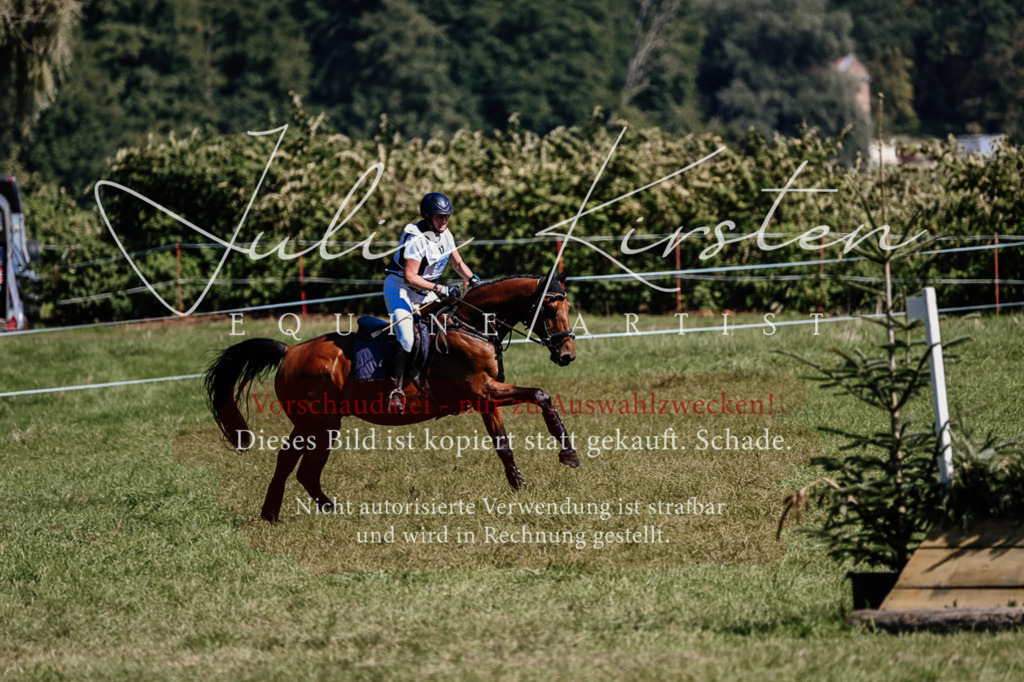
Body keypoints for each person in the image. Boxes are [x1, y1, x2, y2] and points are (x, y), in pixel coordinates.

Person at [382, 192, 478, 413]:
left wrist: (472, 279)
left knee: (451, 329)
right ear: (427, 216)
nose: (444, 220)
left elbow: (457, 263)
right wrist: (440, 289)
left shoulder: (445, 234)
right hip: (401, 289)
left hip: (425, 290)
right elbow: (410, 276)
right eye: (439, 216)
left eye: (446, 216)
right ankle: (393, 391)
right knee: (407, 337)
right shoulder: (416, 238)